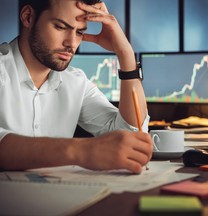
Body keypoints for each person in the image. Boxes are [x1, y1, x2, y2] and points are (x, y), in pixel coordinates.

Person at [0, 0, 152, 174]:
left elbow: (130, 137)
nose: (71, 43)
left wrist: (125, 54)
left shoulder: (76, 81)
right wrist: (81, 151)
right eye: (60, 27)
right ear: (28, 17)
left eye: (79, 32)